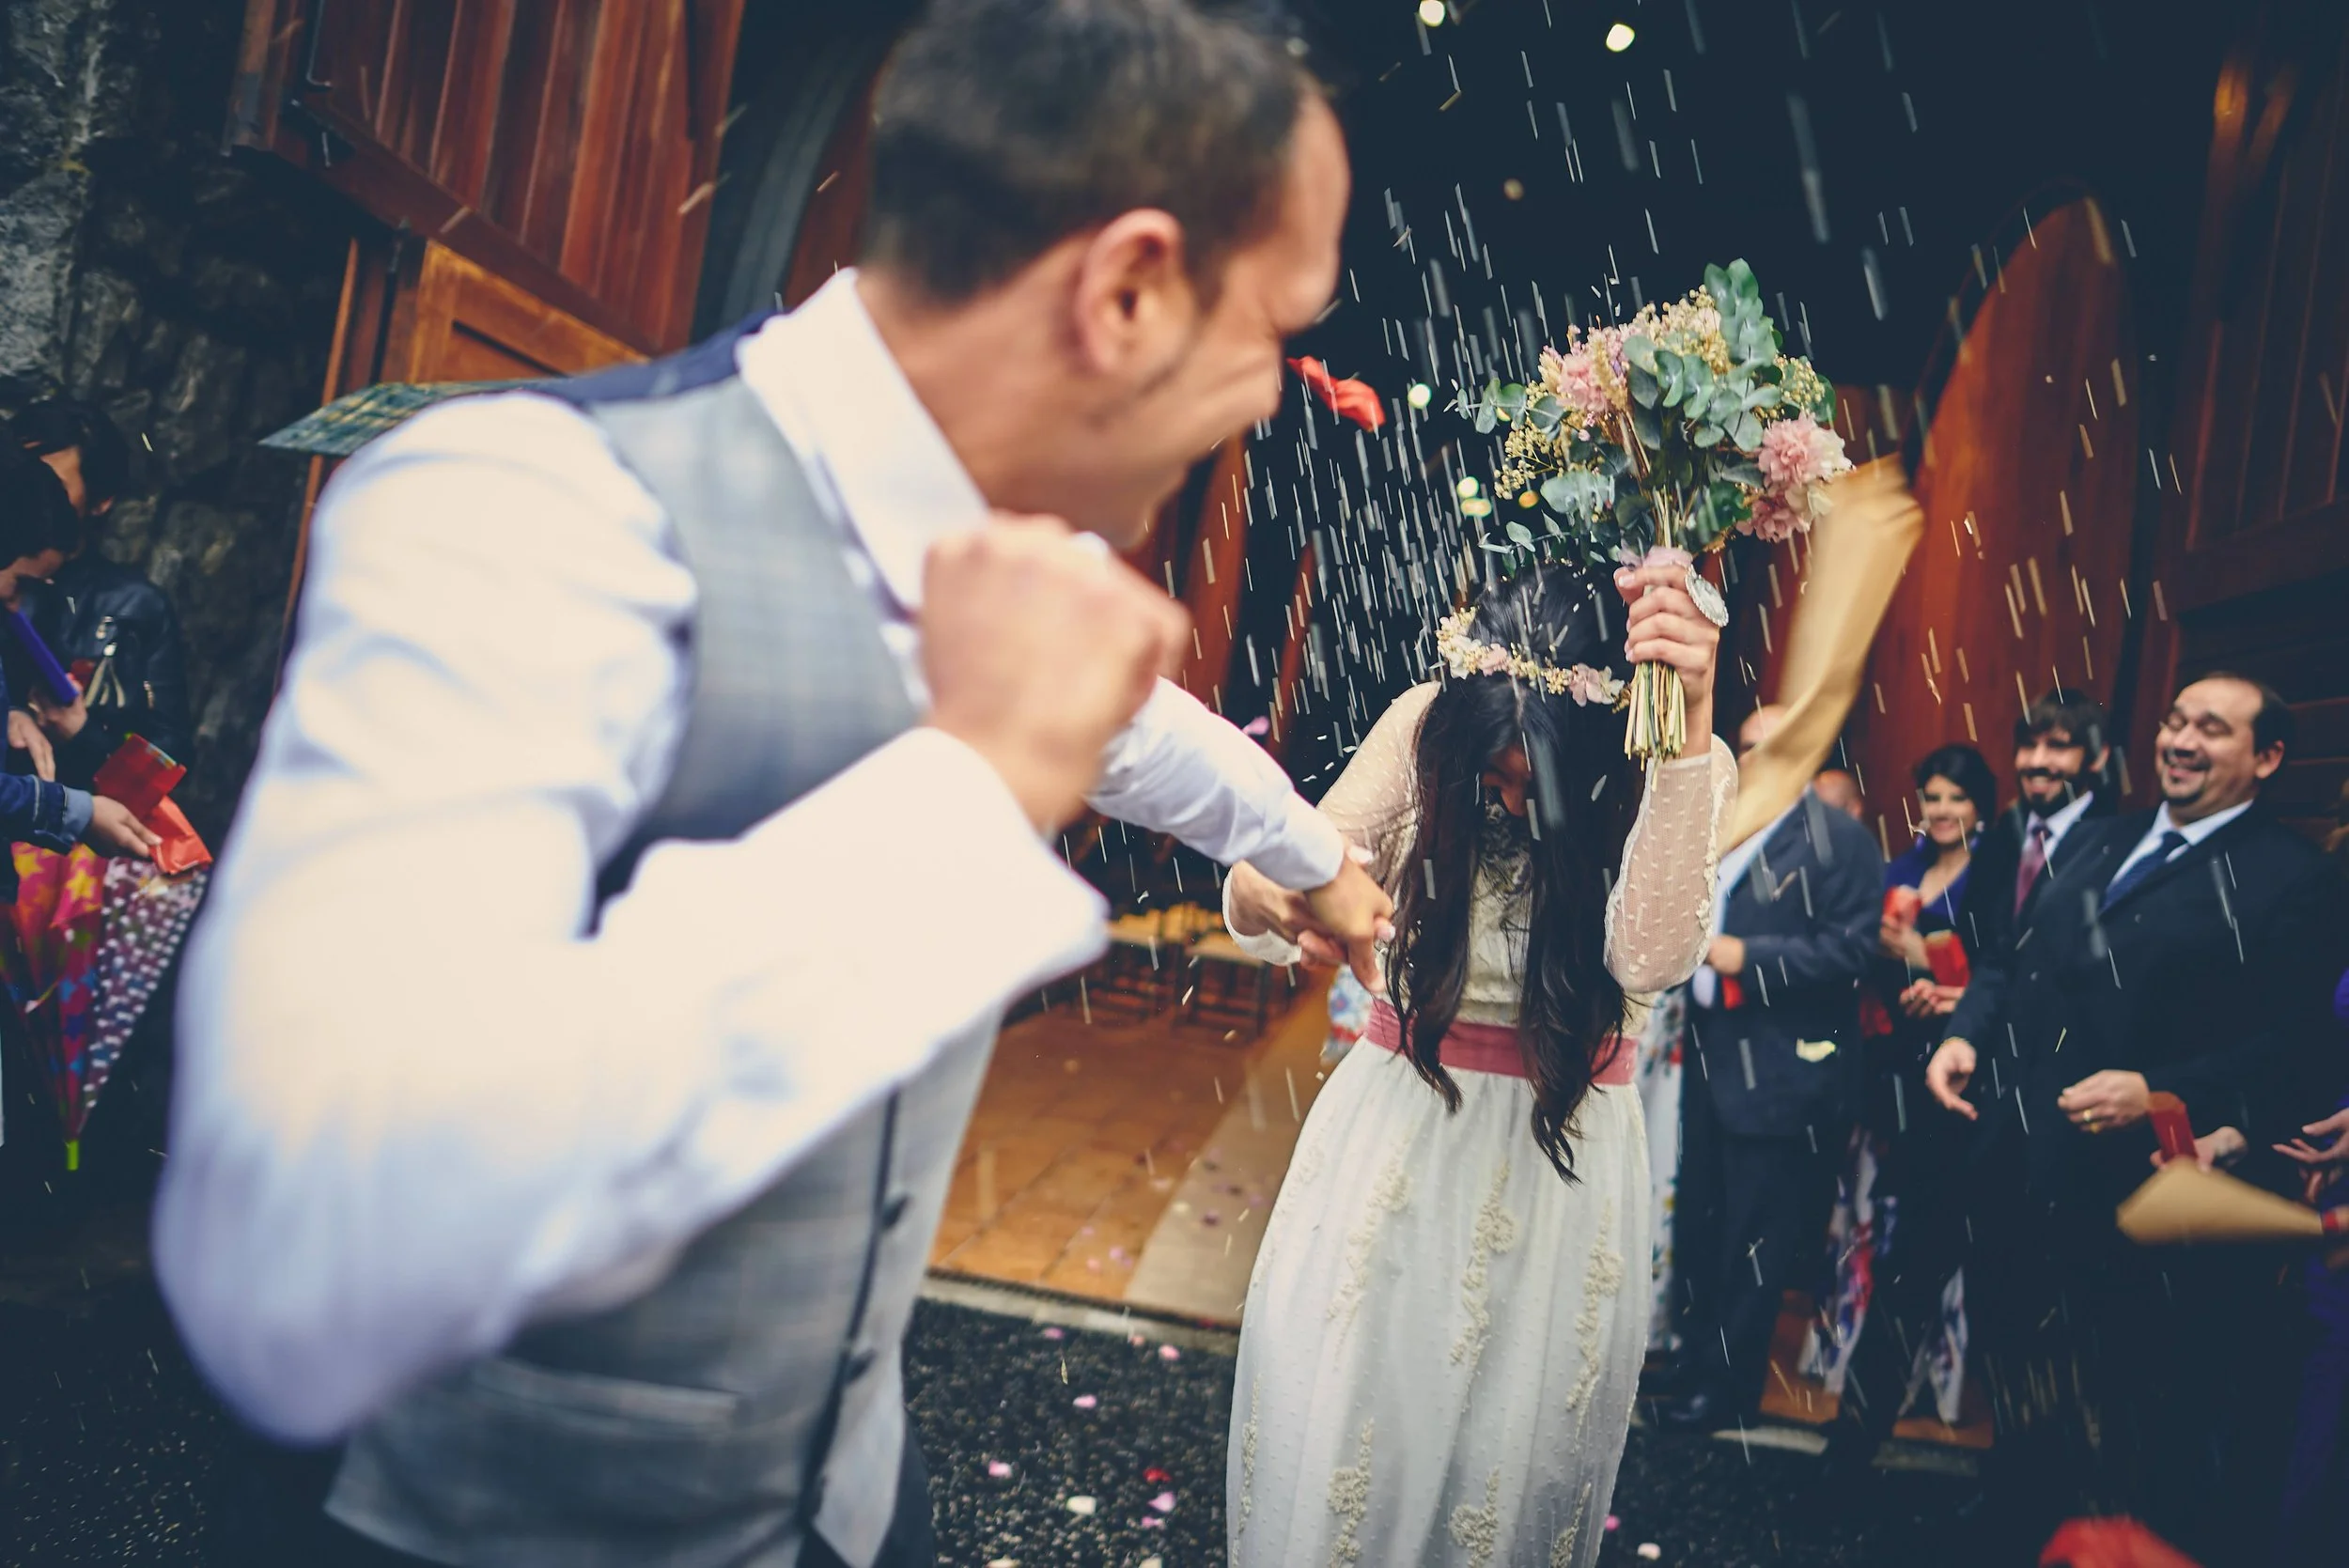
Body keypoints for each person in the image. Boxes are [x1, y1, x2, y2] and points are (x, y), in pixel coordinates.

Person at [158, 6, 1392, 1566]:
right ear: (1129, 286)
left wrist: (1323, 863)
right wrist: (970, 782)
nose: (1276, 393)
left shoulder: (1021, 575)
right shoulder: (531, 511)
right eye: (1274, 326)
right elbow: (299, 1264)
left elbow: (1158, 740)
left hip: (850, 1509)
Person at [1219, 559, 1731, 1566]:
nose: (1501, 796)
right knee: (1352, 1434)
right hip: (1403, 1134)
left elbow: (1650, 958)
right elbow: (1277, 870)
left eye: (1524, 777)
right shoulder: (1424, 725)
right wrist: (1270, 893)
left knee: (1512, 1464)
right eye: (1486, 770)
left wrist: (1684, 738)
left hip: (1565, 1165)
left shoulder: (1676, 763)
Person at [1923, 674, 2345, 1565]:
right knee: (2020, 1364)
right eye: (2174, 721)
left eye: (2213, 730)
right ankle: (2015, 1516)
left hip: (2138, 1189)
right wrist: (1963, 1035)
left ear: (2266, 757)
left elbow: (2292, 1050)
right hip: (2019, 1160)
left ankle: (2098, 1535)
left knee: (2124, 1394)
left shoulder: (2292, 878)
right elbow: (2010, 956)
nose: (2182, 741)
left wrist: (2159, 1084)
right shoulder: (2101, 838)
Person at [1655, 703, 1884, 1432]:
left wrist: (1749, 959)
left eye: (1771, 746)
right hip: (1712, 1057)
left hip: (1784, 1072)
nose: (1754, 758)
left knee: (1752, 1242)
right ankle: (1690, 1366)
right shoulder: (1726, 827)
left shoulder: (1837, 838)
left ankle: (1728, 1391)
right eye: (1745, 745)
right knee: (1700, 1224)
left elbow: (1853, 952)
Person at [1802, 744, 1994, 1432]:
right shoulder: (1903, 867)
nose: (1942, 810)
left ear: (1981, 804)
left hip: (1952, 1066)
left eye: (1955, 798)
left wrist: (1927, 961)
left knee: (1925, 1234)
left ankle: (1920, 1380)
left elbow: (1998, 971)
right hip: (1885, 1059)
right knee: (1864, 1215)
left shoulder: (1993, 871)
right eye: (1932, 796)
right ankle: (1844, 1355)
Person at [8, 396, 194, 775]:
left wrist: (84, 738)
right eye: (21, 478)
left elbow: (170, 764)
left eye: (53, 485)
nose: (29, 496)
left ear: (101, 500)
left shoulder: (135, 607)